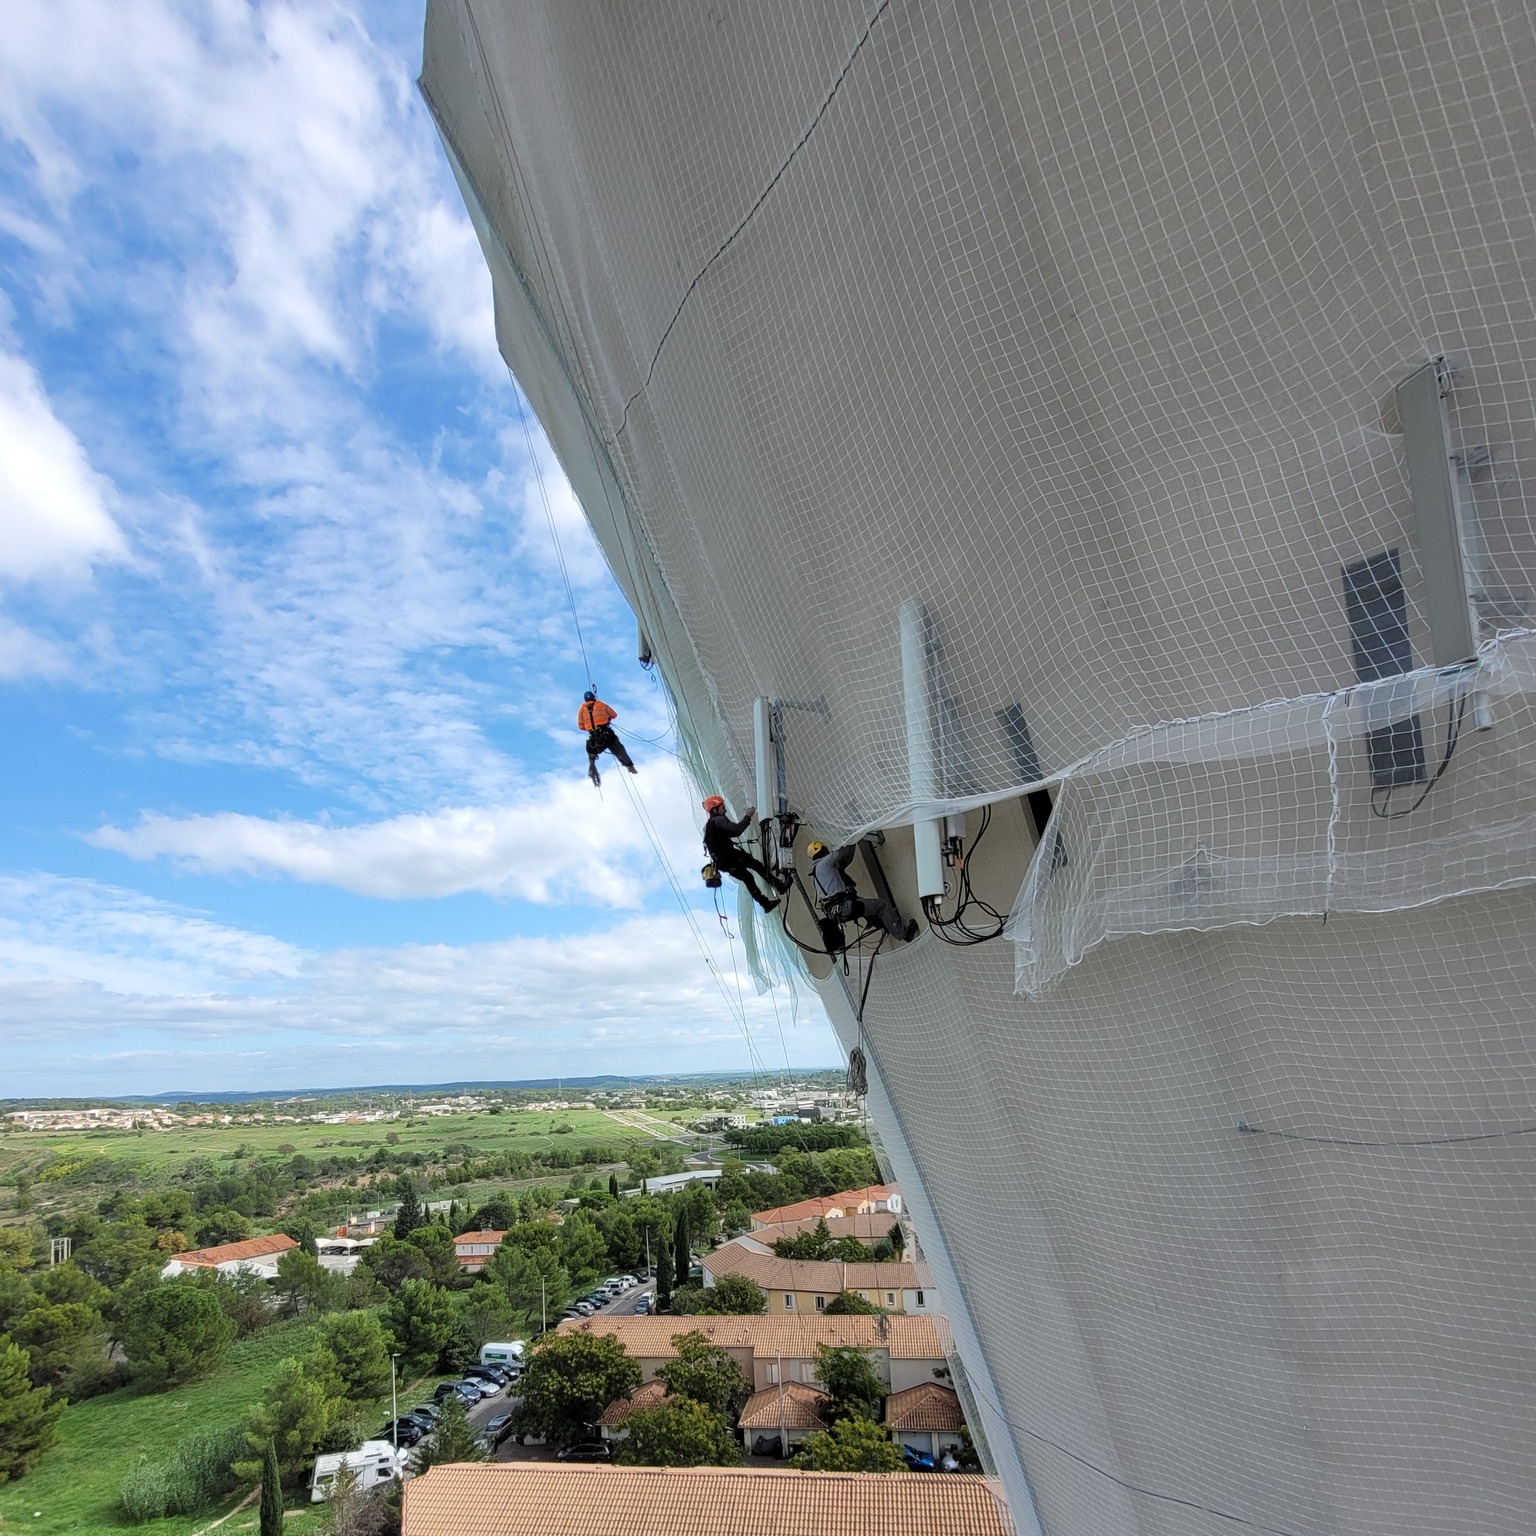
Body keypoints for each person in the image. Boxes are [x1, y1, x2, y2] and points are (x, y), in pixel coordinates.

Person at [807, 839, 918, 942]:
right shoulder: (824, 864)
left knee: (867, 907)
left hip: (840, 911)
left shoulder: (819, 872)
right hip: (846, 907)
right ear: (822, 851)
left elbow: (846, 858)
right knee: (882, 906)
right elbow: (841, 851)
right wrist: (852, 836)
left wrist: (854, 842)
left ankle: (886, 924)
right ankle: (904, 934)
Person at [702, 796, 789, 911]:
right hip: (732, 858)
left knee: (748, 878)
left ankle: (765, 904)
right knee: (757, 865)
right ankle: (779, 885)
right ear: (715, 810)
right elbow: (737, 830)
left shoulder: (709, 826)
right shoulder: (719, 820)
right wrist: (748, 816)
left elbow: (727, 835)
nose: (726, 811)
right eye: (723, 808)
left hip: (725, 864)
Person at [578, 691, 637, 787]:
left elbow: (581, 726)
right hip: (606, 734)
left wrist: (591, 726)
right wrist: (607, 719)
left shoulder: (581, 711)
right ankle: (629, 766)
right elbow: (614, 714)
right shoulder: (600, 704)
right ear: (594, 697)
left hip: (594, 739)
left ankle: (592, 767)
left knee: (591, 753)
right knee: (619, 749)